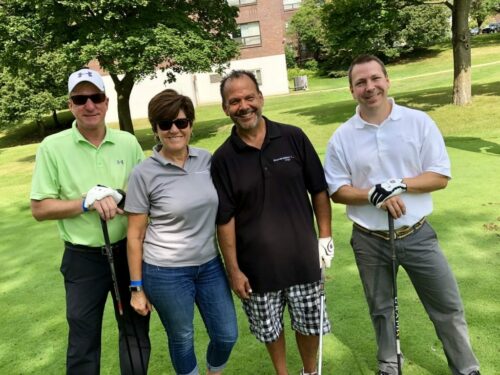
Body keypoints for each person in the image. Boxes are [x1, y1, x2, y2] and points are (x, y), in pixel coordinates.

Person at [324, 54, 480, 375]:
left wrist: (398, 185)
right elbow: (337, 189)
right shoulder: (342, 136)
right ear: (351, 90)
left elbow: (439, 176)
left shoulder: (418, 122)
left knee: (447, 306)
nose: (370, 87)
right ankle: (388, 365)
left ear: (387, 80)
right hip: (369, 239)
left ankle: (465, 368)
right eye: (361, 82)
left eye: (375, 79)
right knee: (381, 309)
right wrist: (372, 194)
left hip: (418, 234)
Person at [210, 70, 334, 375]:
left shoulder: (293, 137)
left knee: (308, 322)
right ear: (226, 108)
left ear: (260, 98)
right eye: (234, 101)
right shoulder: (223, 158)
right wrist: (234, 269)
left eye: (249, 97)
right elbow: (224, 219)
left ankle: (309, 371)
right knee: (270, 329)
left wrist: (325, 238)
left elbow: (318, 189)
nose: (244, 106)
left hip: (303, 257)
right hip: (257, 267)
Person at [30, 68, 151, 374]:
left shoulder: (127, 142)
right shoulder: (52, 147)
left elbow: (145, 200)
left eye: (95, 97)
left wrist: (122, 197)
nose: (89, 105)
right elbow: (40, 208)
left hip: (129, 253)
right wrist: (84, 203)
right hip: (82, 259)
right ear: (70, 104)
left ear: (106, 102)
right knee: (83, 341)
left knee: (135, 333)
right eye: (80, 99)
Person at [125, 89, 238, 375]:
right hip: (165, 272)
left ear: (190, 124)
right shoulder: (143, 173)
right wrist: (136, 288)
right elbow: (135, 236)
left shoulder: (207, 161)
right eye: (165, 124)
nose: (174, 129)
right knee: (182, 338)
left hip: (210, 265)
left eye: (181, 122)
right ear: (155, 129)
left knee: (227, 334)